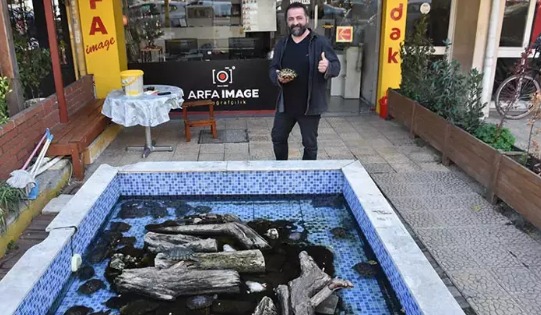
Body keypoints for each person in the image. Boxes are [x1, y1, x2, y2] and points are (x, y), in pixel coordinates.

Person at [269, 2, 341, 160]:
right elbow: (273, 68)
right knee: (278, 137)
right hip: (286, 105)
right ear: (287, 21)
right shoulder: (282, 44)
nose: (295, 22)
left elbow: (336, 66)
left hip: (310, 106)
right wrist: (278, 76)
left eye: (299, 18)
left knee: (309, 144)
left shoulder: (319, 42)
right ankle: (283, 169)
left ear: (306, 19)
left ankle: (307, 175)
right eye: (291, 19)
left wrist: (328, 66)